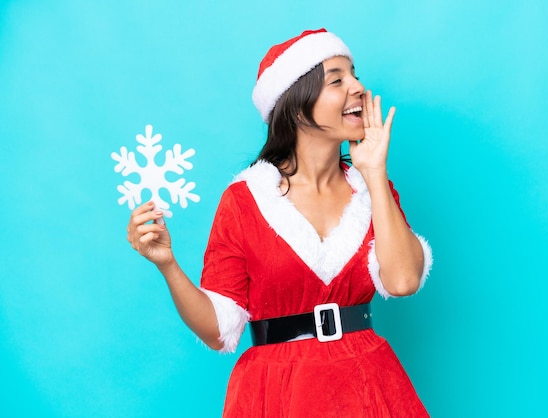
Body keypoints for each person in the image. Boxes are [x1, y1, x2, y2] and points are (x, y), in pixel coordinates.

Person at [127, 28, 433, 417]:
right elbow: (220, 331)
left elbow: (403, 281)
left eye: (355, 75)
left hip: (367, 382)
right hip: (278, 392)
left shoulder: (373, 189)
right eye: (337, 79)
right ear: (295, 105)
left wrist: (374, 174)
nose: (358, 88)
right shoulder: (245, 200)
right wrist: (167, 264)